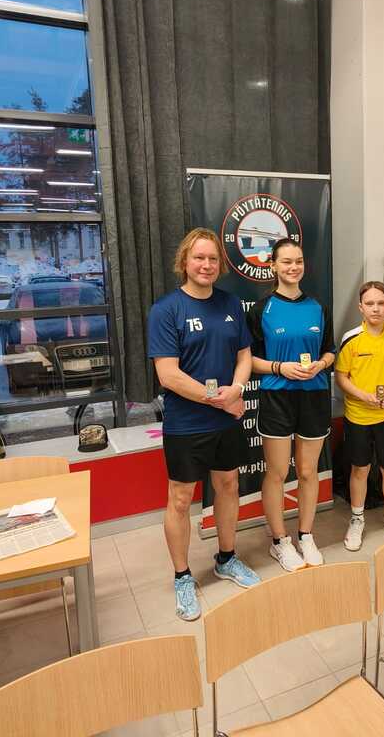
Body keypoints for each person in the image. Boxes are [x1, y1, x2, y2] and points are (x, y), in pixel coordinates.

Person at [148, 227, 260, 621]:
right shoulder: (166, 310)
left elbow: (244, 355)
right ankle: (182, 576)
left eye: (213, 258)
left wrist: (237, 389)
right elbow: (169, 375)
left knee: (228, 485)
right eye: (199, 257)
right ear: (185, 261)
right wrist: (221, 399)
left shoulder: (230, 303)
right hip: (187, 423)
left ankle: (227, 558)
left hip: (226, 420)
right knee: (180, 499)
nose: (206, 265)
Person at [247, 238, 335, 571]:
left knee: (309, 471)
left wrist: (321, 364)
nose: (293, 267)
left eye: (298, 261)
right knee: (278, 472)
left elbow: (330, 351)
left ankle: (306, 536)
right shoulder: (261, 309)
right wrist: (279, 367)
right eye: (286, 261)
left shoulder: (318, 307)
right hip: (277, 397)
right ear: (273, 266)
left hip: (314, 396)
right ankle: (280, 542)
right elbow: (248, 360)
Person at [335, 281, 384, 550]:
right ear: (361, 307)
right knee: (360, 469)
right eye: (370, 303)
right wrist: (363, 395)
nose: (376, 308)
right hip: (358, 416)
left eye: (381, 303)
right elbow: (341, 377)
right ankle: (357, 520)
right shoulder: (351, 338)